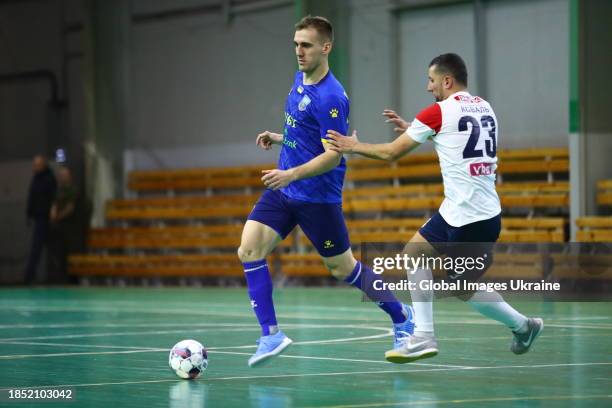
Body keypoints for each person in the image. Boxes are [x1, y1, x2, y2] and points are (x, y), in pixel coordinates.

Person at [327, 53, 543, 363]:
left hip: (469, 218)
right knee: (414, 253)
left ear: (447, 80)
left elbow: (390, 154)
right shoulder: (484, 106)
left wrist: (353, 146)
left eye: (431, 80)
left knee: (464, 288)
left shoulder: (438, 113)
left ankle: (522, 326)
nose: (428, 87)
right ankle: (425, 335)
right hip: (469, 210)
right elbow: (459, 139)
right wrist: (415, 128)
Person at [237, 16, 415, 367]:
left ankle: (402, 316)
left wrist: (289, 174)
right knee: (248, 249)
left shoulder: (331, 97)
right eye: (295, 44)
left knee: (343, 269)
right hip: (285, 190)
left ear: (325, 47)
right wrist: (280, 138)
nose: (298, 51)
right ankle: (270, 333)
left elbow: (333, 156)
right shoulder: (299, 79)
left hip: (317, 197)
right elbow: (305, 134)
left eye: (306, 45)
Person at [25, 154, 57, 284]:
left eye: (37, 164)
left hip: (45, 218)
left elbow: (54, 197)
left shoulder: (49, 179)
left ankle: (29, 276)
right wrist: (29, 214)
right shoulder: (36, 179)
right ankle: (31, 276)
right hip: (38, 217)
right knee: (41, 247)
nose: (35, 167)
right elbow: (32, 198)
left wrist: (52, 212)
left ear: (43, 165)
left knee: (42, 247)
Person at [48, 166, 79, 283]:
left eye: (64, 175)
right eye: (61, 175)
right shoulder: (59, 190)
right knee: (59, 254)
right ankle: (61, 278)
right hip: (59, 228)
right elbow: (54, 204)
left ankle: (73, 280)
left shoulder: (73, 189)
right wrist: (52, 214)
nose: (62, 177)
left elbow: (70, 208)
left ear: (69, 176)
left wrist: (58, 216)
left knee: (71, 254)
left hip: (70, 227)